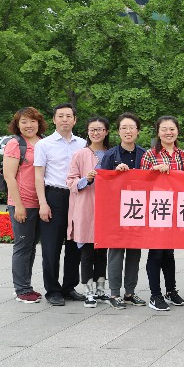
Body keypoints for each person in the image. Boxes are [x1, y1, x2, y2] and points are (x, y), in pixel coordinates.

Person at [33, 103, 87, 306]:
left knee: (75, 244)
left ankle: (69, 287)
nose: (65, 119)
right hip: (54, 196)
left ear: (75, 120)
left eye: (69, 116)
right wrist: (43, 203)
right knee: (51, 246)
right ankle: (53, 290)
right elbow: (38, 176)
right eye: (61, 116)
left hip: (77, 196)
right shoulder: (44, 144)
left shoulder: (82, 144)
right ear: (54, 119)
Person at [98, 113, 148, 309]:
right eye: (124, 128)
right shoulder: (110, 155)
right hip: (115, 212)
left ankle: (130, 292)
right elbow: (103, 183)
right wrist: (115, 174)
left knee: (135, 252)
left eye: (131, 127)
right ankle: (114, 293)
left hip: (137, 210)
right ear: (118, 132)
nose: (128, 131)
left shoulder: (144, 155)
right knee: (116, 253)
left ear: (138, 131)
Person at [140, 116, 184, 311]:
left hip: (175, 209)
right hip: (156, 209)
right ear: (158, 132)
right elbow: (141, 181)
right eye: (164, 129)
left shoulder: (182, 155)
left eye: (172, 129)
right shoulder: (150, 155)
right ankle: (155, 295)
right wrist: (154, 171)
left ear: (177, 131)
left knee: (169, 252)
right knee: (156, 252)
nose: (169, 132)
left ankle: (171, 290)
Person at [65, 116, 110, 308]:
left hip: (107, 209)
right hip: (86, 208)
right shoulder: (80, 154)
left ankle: (100, 290)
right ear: (87, 132)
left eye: (100, 129)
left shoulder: (111, 153)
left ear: (106, 132)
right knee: (87, 252)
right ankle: (89, 291)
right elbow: (70, 181)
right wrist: (87, 179)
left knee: (102, 252)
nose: (96, 133)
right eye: (92, 130)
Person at [3, 107, 46, 303]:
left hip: (40, 203)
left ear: (39, 123)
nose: (29, 125)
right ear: (17, 125)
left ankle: (25, 286)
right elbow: (9, 177)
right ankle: (21, 289)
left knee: (31, 246)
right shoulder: (15, 144)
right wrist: (18, 205)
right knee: (22, 246)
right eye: (24, 122)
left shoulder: (44, 142)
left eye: (32, 121)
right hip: (22, 203)